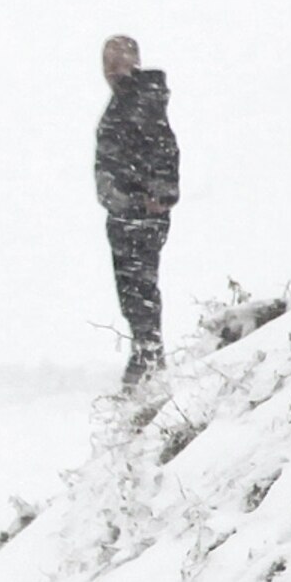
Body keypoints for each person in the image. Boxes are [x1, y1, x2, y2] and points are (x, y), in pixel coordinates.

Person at [94, 36, 178, 385]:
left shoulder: (141, 100)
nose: (111, 70)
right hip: (123, 212)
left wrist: (158, 195)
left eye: (118, 61)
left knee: (139, 286)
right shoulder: (128, 100)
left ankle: (148, 355)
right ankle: (145, 352)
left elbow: (165, 149)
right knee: (131, 287)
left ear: (135, 62)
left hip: (139, 215)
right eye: (107, 62)